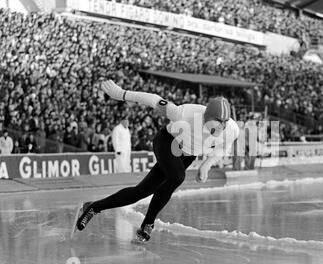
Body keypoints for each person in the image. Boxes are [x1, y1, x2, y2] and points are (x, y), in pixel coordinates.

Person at [74, 80, 239, 243]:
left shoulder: (231, 130)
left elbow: (223, 148)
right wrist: (120, 93)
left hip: (187, 155)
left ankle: (93, 207)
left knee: (141, 192)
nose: (222, 127)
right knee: (177, 177)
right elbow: (152, 99)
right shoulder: (183, 113)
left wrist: (206, 165)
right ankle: (148, 223)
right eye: (218, 122)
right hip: (167, 142)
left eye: (225, 123)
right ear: (206, 117)